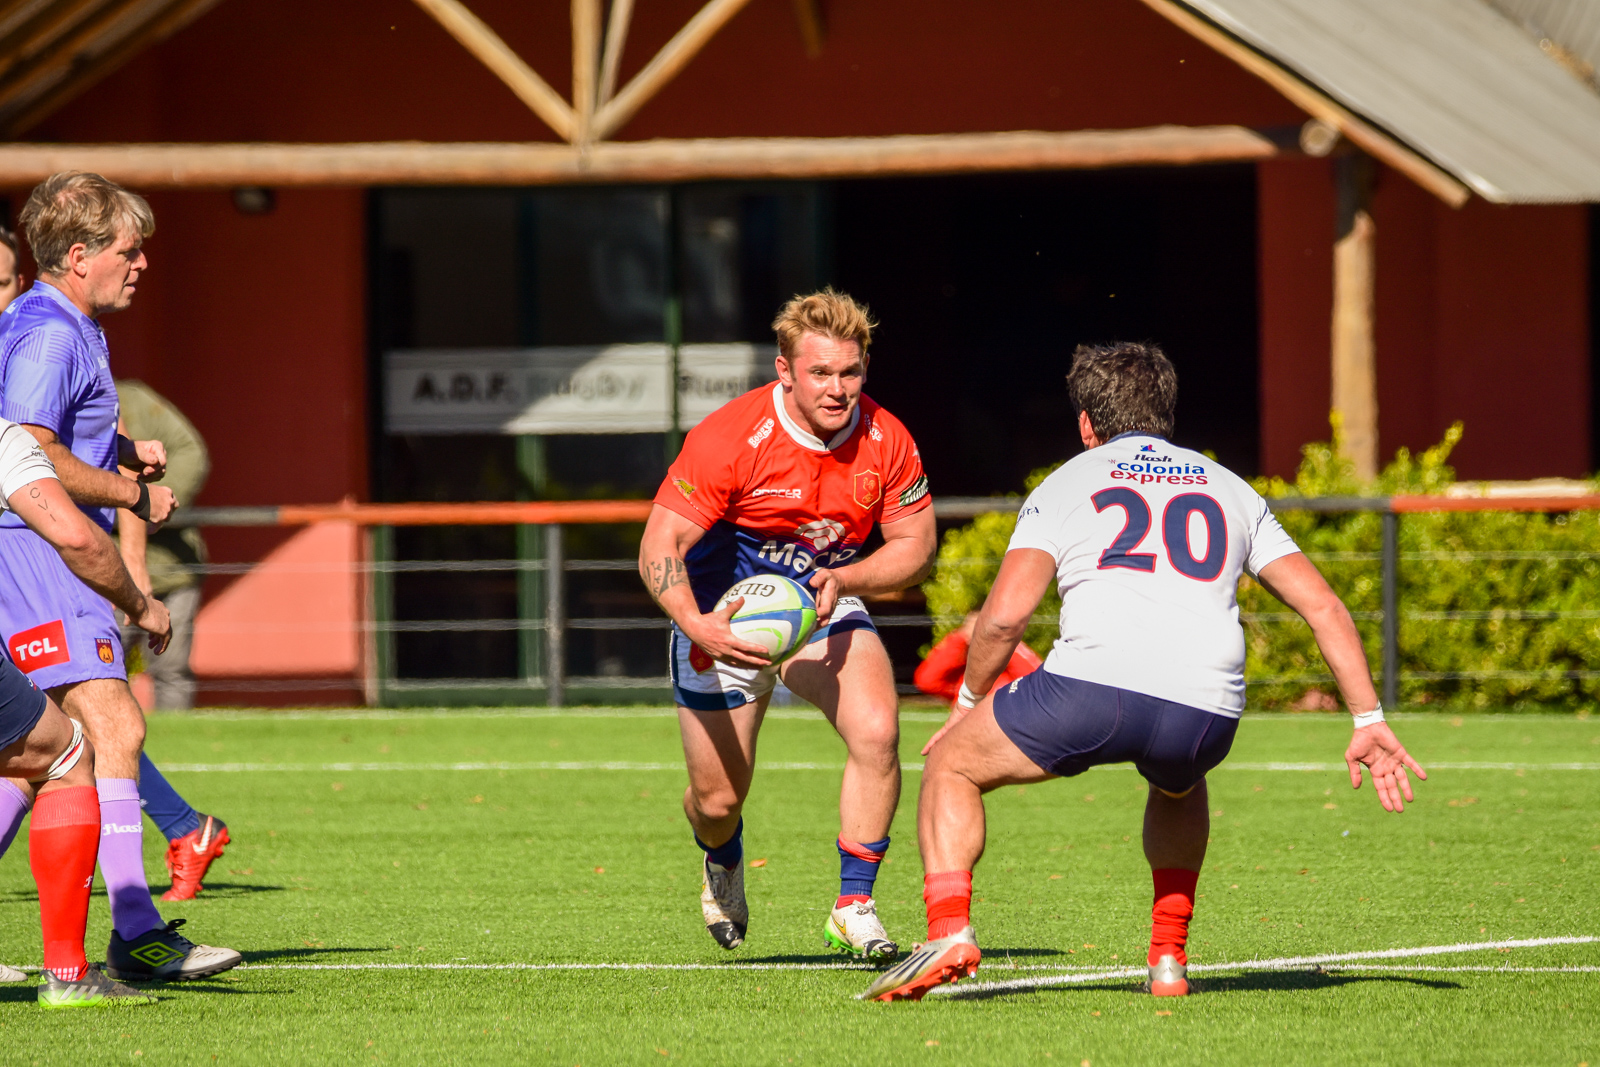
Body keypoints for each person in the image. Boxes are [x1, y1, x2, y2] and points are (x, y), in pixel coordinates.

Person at [866, 342, 1426, 1002]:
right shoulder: (1229, 486)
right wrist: (1368, 717)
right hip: (1206, 713)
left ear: (1085, 424)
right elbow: (1323, 605)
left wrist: (966, 700)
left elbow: (1002, 620)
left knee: (953, 765)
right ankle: (1167, 959)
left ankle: (949, 933)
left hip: (1090, 691)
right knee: (1181, 786)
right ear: (1166, 411)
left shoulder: (1069, 480)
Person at [638, 289, 936, 958]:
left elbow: (918, 547)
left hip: (823, 602)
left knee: (878, 730)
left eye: (851, 372)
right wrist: (697, 623)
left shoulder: (886, 437)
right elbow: (659, 546)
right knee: (717, 802)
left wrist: (849, 577)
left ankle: (854, 904)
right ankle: (723, 859)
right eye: (821, 373)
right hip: (723, 617)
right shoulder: (729, 437)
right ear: (785, 371)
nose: (838, 389)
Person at [0, 171, 240, 980]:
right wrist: (133, 491)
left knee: (40, 758)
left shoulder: (73, 323)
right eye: (129, 253)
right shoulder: (49, 335)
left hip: (43, 554)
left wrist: (120, 452)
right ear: (79, 256)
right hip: (40, 554)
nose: (141, 266)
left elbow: (55, 442)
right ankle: (135, 933)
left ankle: (131, 932)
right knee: (112, 734)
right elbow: (32, 458)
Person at [0, 414, 171, 1005]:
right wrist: (140, 603)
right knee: (68, 755)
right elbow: (76, 537)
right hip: (42, 569)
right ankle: (76, 972)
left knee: (22, 762)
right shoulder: (11, 423)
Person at [116, 382, 229, 900]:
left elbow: (142, 471)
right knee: (72, 728)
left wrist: (155, 506)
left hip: (113, 573)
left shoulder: (96, 381)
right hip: (63, 569)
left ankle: (183, 828)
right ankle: (184, 828)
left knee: (79, 722)